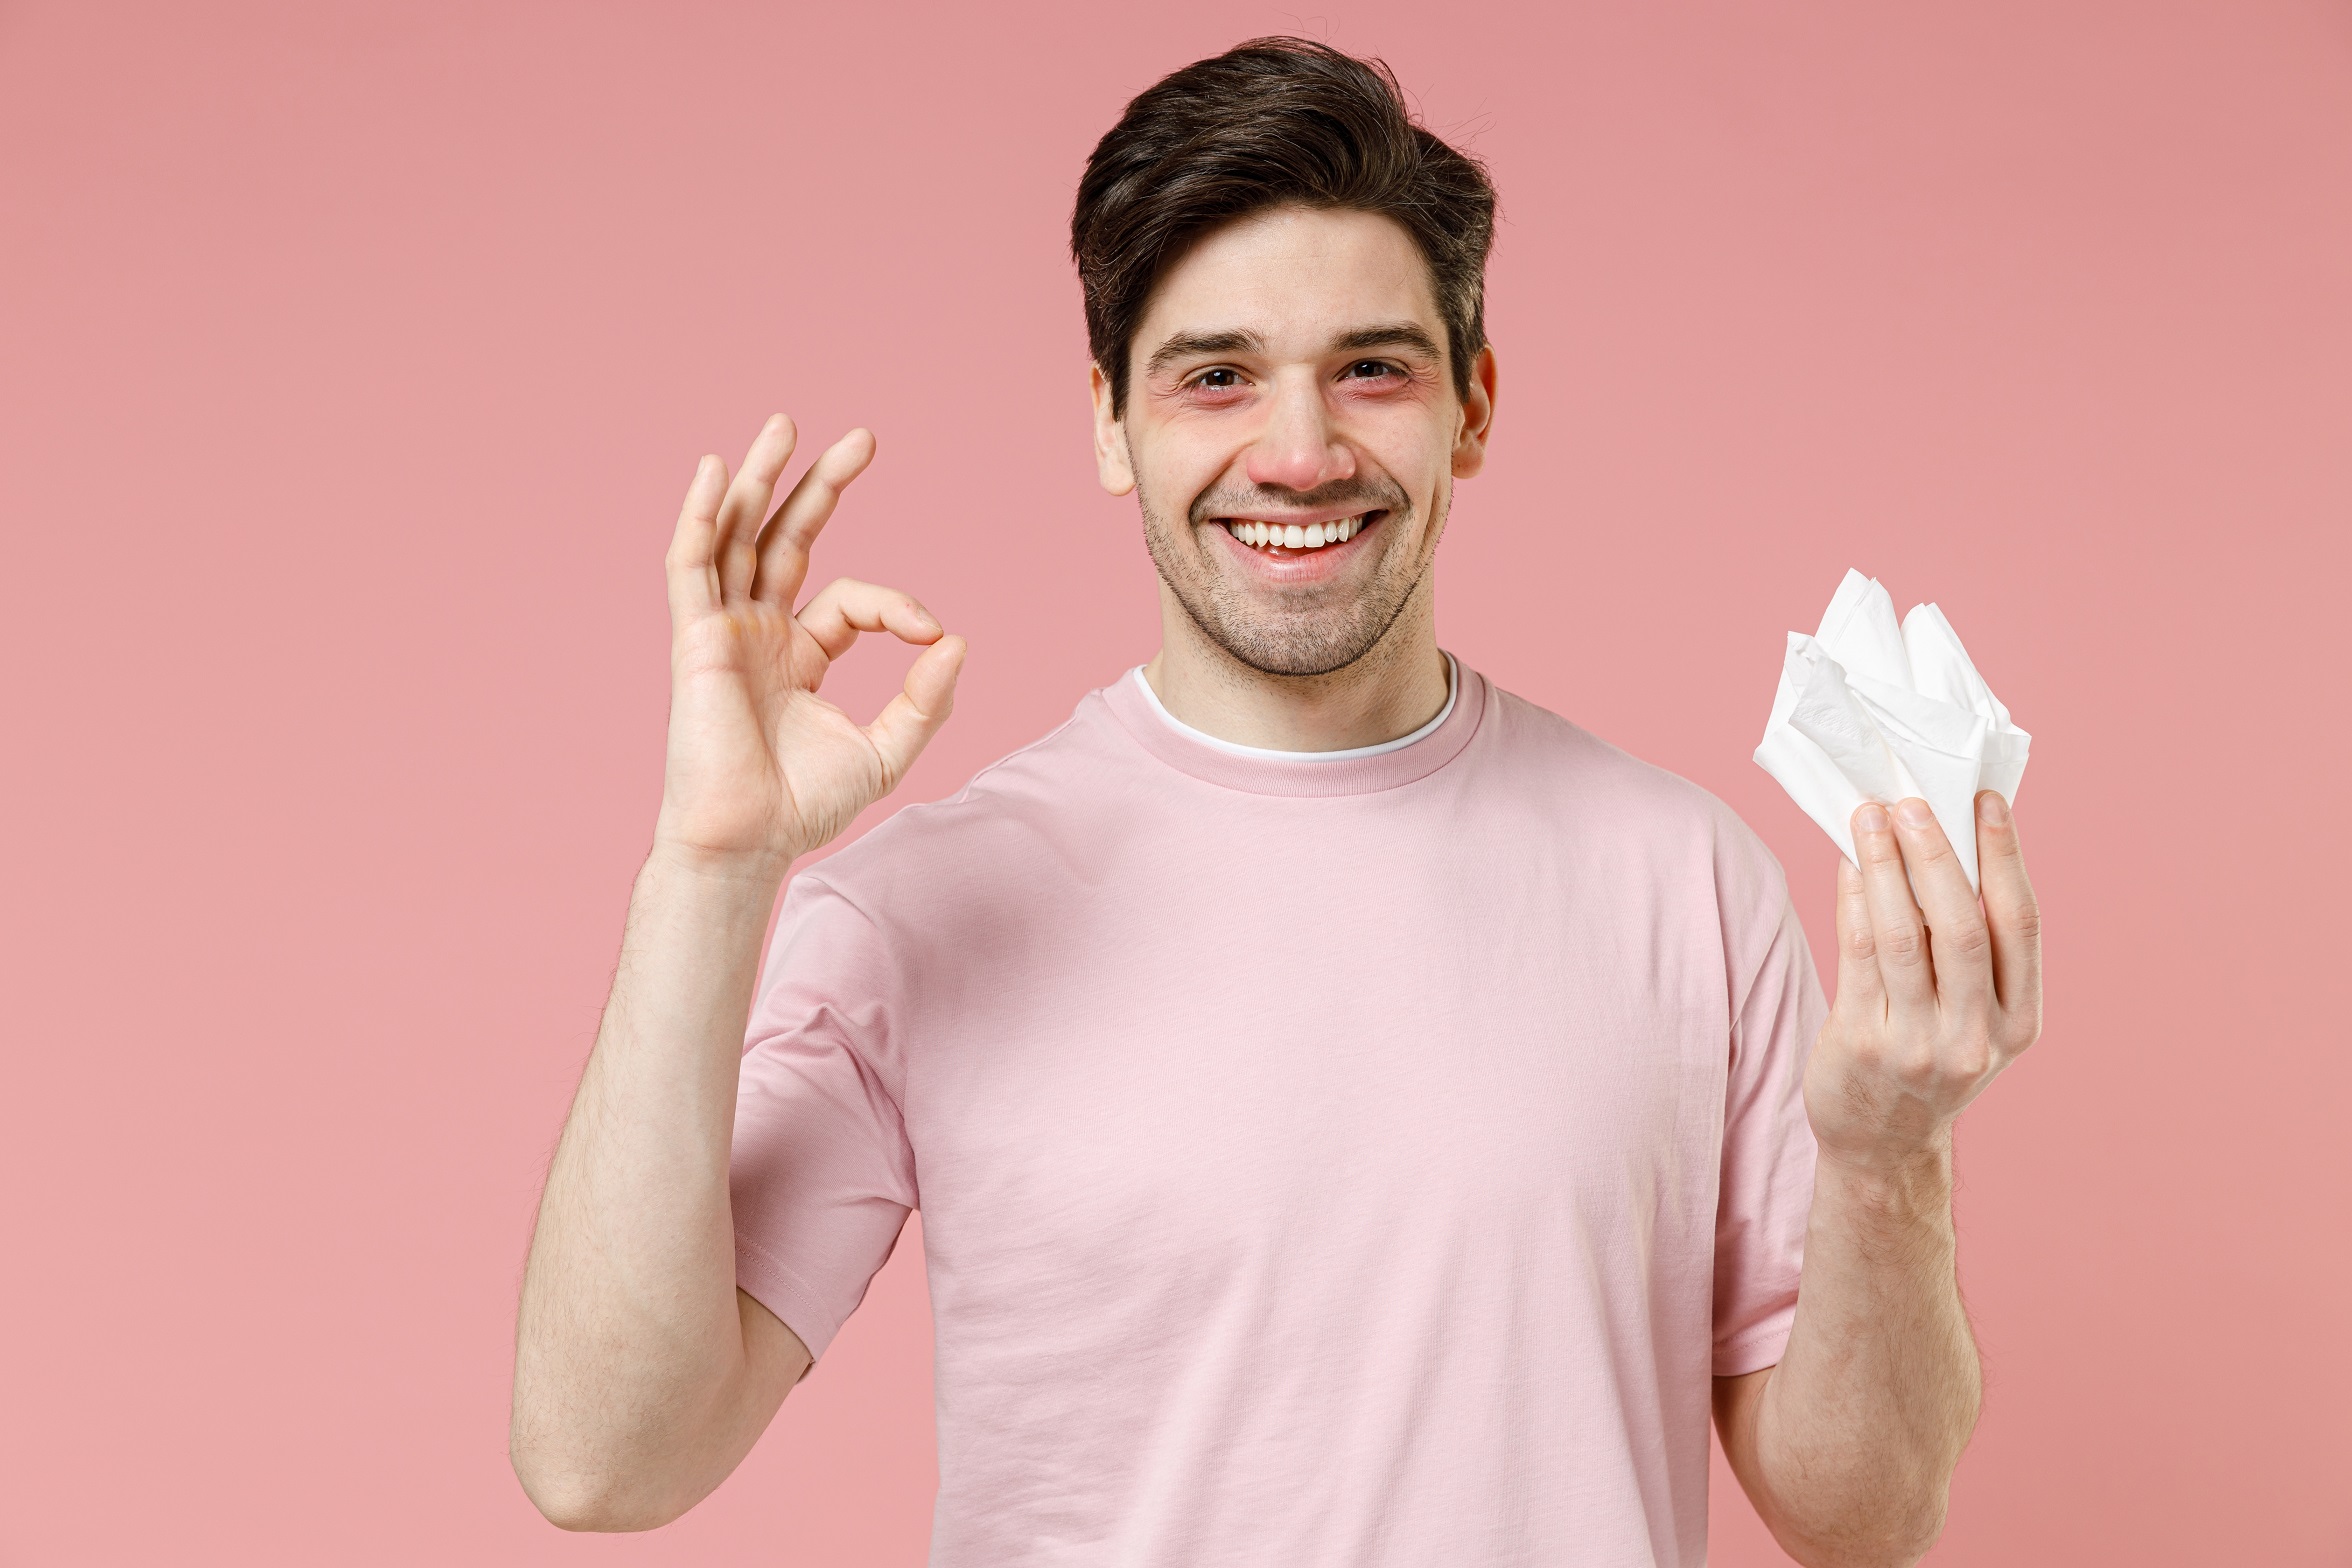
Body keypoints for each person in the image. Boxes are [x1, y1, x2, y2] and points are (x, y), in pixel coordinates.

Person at [509, 37, 2042, 1568]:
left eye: (1371, 368)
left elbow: (1870, 1516)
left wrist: (1886, 1153)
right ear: (1111, 421)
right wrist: (707, 869)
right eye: (1215, 377)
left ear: (1475, 407)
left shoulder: (1686, 879)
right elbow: (602, 1459)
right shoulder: (925, 908)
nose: (1298, 455)